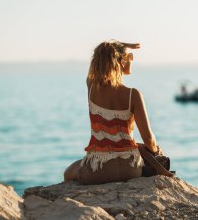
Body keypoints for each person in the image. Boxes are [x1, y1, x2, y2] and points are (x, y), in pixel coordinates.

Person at [63, 39, 162, 185]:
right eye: (130, 57)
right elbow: (148, 138)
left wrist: (120, 46)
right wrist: (156, 151)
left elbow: (99, 59)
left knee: (68, 173)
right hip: (131, 168)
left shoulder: (92, 88)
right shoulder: (133, 95)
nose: (132, 60)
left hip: (98, 170)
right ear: (121, 62)